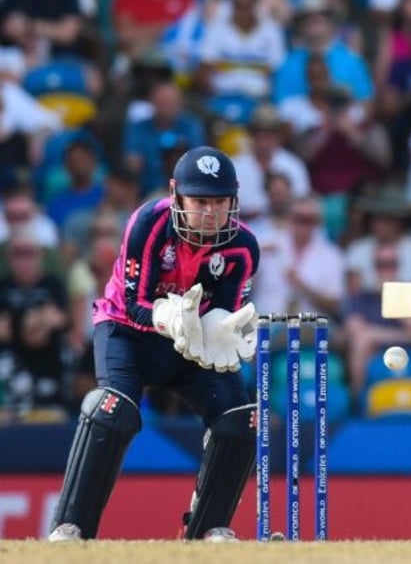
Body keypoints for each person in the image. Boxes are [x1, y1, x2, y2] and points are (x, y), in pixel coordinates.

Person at [47, 146, 260, 542]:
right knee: (112, 410)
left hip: (190, 345)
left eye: (219, 202)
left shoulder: (243, 247)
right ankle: (70, 526)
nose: (210, 213)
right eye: (199, 202)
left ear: (234, 199)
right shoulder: (149, 222)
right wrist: (167, 316)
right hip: (128, 333)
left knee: (240, 419)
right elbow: (133, 301)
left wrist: (218, 328)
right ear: (177, 194)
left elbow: (227, 314)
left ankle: (207, 530)